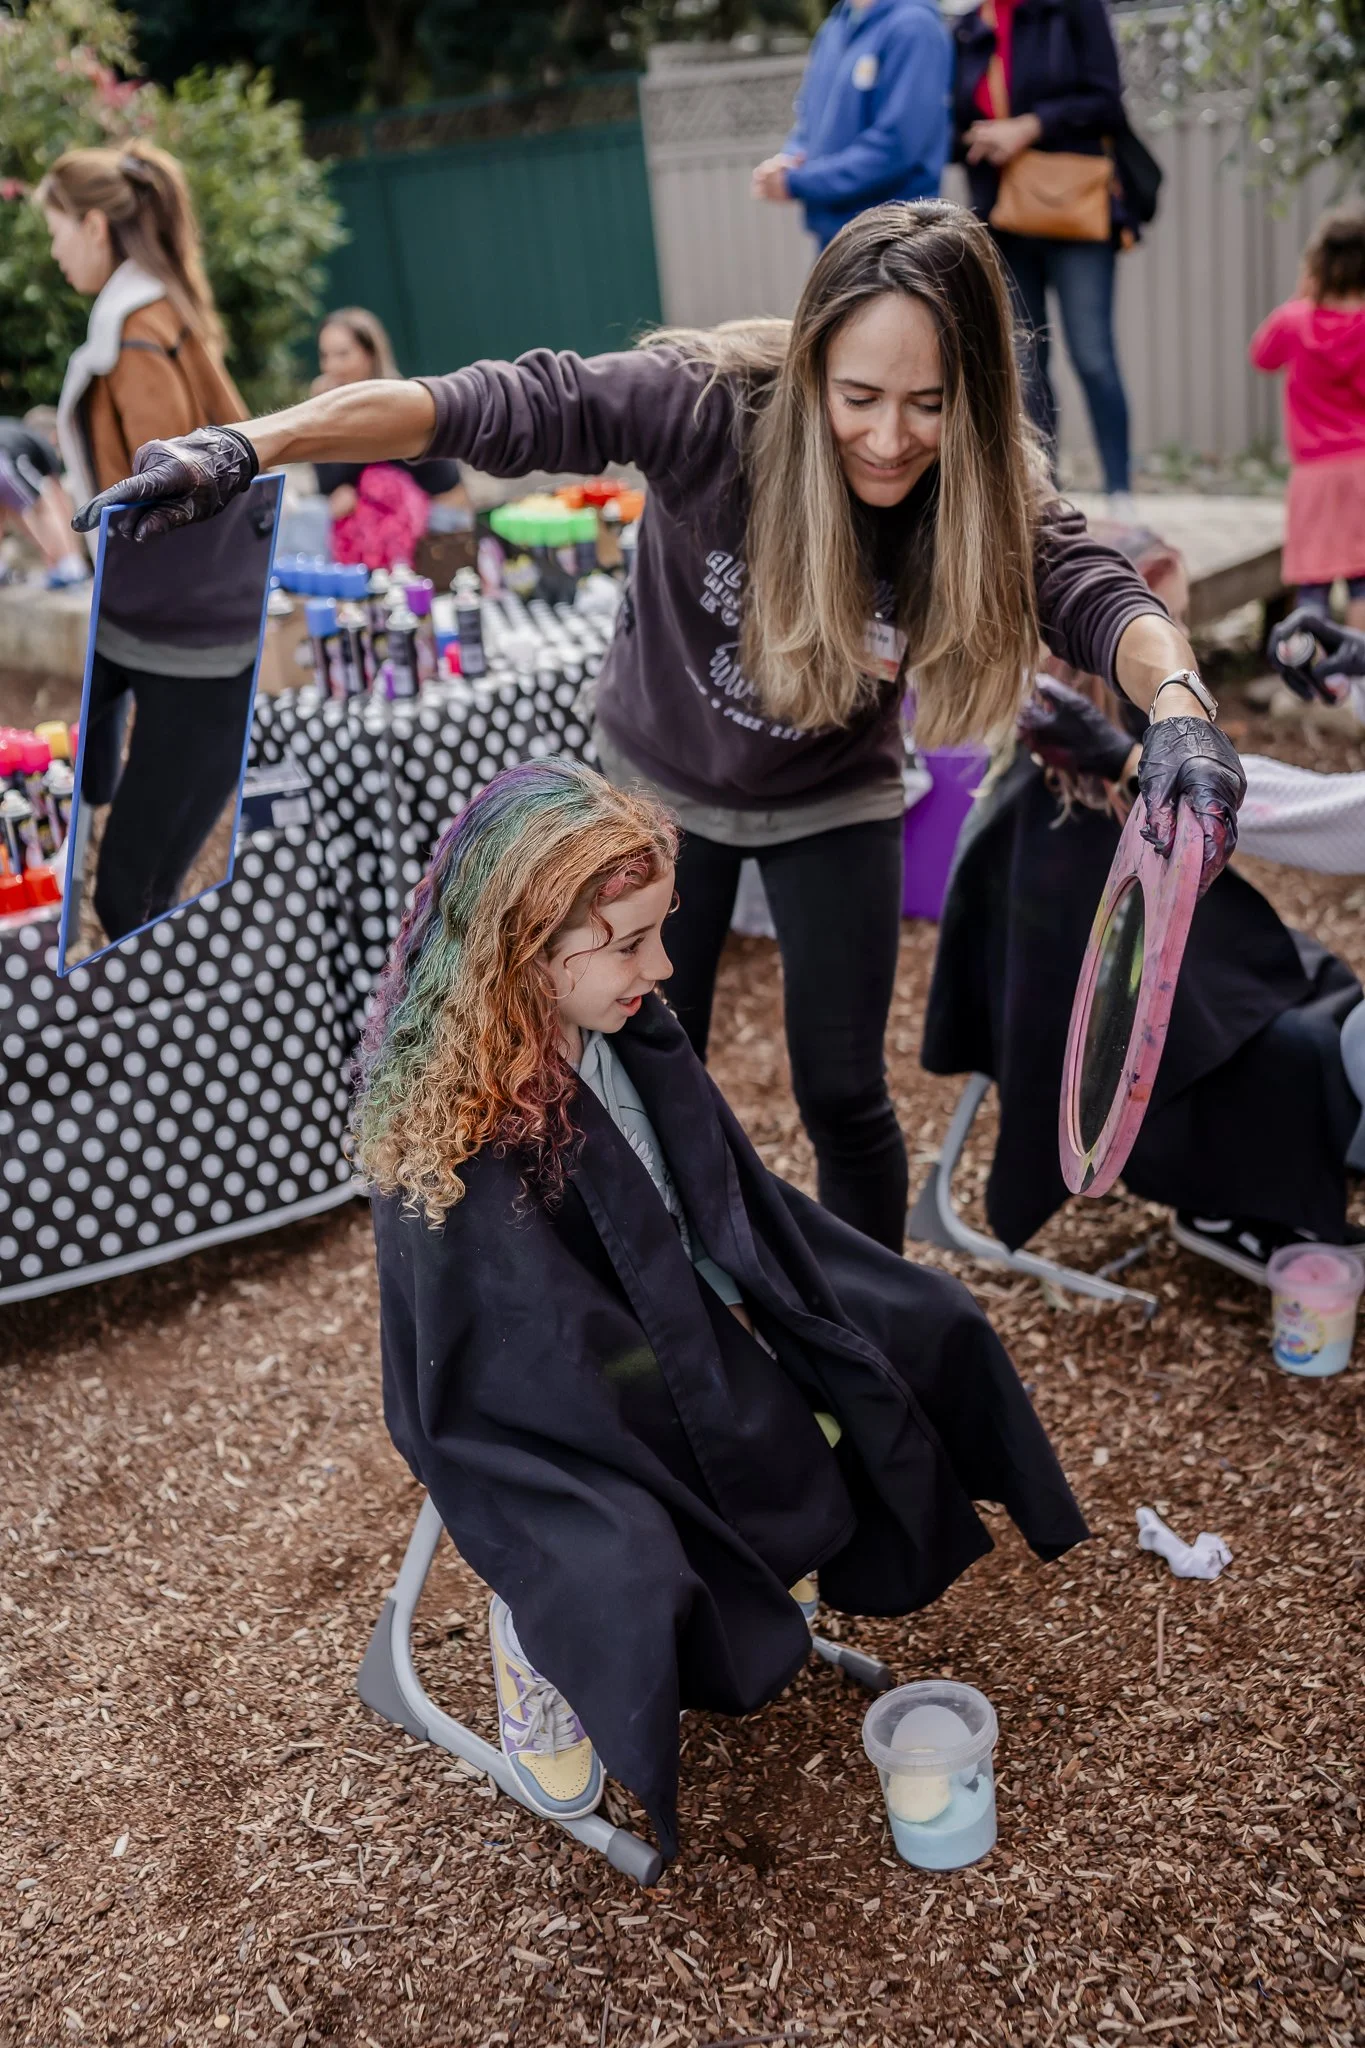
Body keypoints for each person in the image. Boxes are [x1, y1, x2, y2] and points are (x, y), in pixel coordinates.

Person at [72, 201, 1244, 1253]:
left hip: (834, 791)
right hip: (664, 785)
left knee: (842, 1090)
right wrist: (251, 445)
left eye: (929, 405)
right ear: (814, 359)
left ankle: (869, 1338)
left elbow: (1104, 596)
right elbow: (477, 406)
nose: (890, 438)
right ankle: (670, 1317)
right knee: (641, 1078)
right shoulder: (710, 410)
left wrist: (1182, 712)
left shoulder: (981, 487)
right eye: (860, 397)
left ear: (974, 399)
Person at [358, 756, 1088, 1861]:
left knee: (925, 1326)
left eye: (661, 931)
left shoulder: (629, 1024)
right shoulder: (463, 1130)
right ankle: (538, 1641)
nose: (661, 963)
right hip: (557, 1387)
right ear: (526, 951)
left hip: (687, 1291)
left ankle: (788, 1552)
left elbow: (715, 1189)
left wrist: (760, 1301)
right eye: (629, 941)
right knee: (627, 1558)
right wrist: (714, 1360)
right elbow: (513, 1353)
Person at [921, 527, 1364, 1279]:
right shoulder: (1052, 808)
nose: (1178, 646)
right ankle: (1236, 1202)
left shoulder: (1085, 769)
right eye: (1170, 622)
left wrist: (1130, 761)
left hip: (1208, 984)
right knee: (1315, 1047)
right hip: (1173, 1045)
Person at [37, 141, 254, 943]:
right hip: (184, 631)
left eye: (57, 230)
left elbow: (176, 489)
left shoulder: (134, 332)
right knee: (142, 884)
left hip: (178, 634)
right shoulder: (160, 310)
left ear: (95, 224)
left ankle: (164, 1043)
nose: (54, 251)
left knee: (131, 897)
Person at [952, 0, 1133, 497]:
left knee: (1094, 356)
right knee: (1025, 366)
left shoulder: (1073, 9)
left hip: (1072, 207)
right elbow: (951, 122)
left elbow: (1106, 101)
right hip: (1002, 216)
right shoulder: (968, 28)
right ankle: (1045, 496)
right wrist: (979, 137)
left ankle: (1121, 493)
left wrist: (1029, 127)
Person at [751, 0, 952, 250]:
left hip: (893, 245)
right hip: (836, 240)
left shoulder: (915, 27)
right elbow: (809, 121)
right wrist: (789, 161)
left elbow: (896, 147)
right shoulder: (835, 26)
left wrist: (799, 182)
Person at [1250, 205, 1365, 633]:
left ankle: (1313, 679)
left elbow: (1261, 356)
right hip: (1361, 469)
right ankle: (1358, 681)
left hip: (1313, 477)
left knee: (1313, 585)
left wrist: (1302, 297)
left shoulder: (1294, 321)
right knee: (1361, 583)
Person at [309, 306, 466, 569]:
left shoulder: (400, 403)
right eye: (325, 356)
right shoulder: (326, 405)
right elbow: (331, 489)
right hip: (369, 539)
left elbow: (447, 485)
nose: (332, 366)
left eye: (343, 354)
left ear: (370, 355)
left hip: (430, 524)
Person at [0, 412, 86, 588]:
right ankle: (70, 567)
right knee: (44, 508)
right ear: (54, 436)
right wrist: (73, 552)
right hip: (3, 458)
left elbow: (18, 514)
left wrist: (46, 552)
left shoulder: (15, 433)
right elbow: (59, 499)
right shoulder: (41, 444)